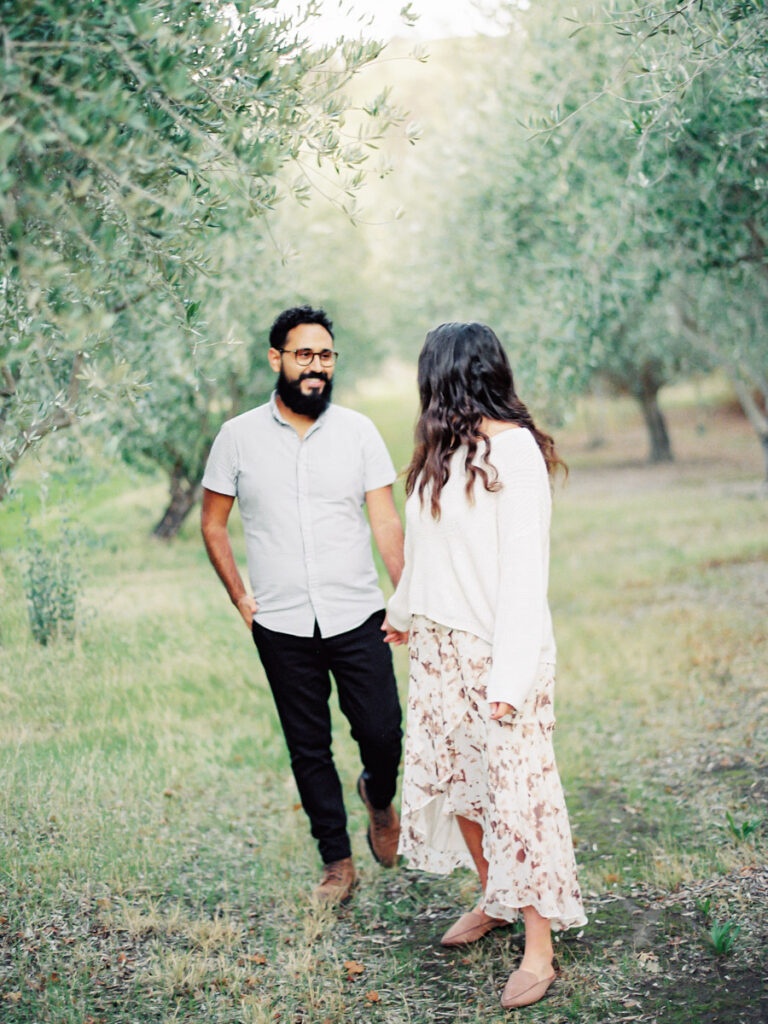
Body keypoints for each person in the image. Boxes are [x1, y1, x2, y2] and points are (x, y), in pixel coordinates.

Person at [383, 322, 586, 1010]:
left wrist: (508, 683)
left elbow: (526, 581)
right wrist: (402, 612)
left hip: (499, 654)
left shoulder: (518, 456)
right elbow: (427, 547)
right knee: (461, 786)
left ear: (449, 378)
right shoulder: (444, 452)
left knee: (517, 800)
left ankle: (539, 948)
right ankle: (495, 897)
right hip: (439, 652)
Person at [201, 305, 404, 905]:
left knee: (384, 731)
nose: (316, 367)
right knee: (307, 744)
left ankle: (379, 792)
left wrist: (407, 595)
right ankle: (336, 864)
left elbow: (385, 519)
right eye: (304, 355)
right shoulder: (236, 436)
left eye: (325, 356)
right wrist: (241, 597)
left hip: (358, 612)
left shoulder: (359, 432)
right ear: (277, 359)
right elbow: (213, 524)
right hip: (282, 621)